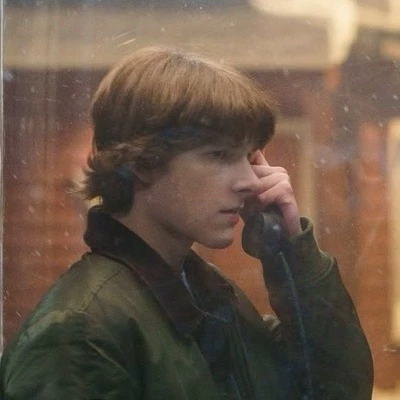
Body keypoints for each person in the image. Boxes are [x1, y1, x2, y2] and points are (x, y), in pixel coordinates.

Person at [0, 46, 373, 400]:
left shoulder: (209, 297)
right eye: (219, 155)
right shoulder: (79, 331)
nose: (251, 181)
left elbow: (337, 388)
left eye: (248, 157)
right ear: (143, 163)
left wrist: (291, 251)